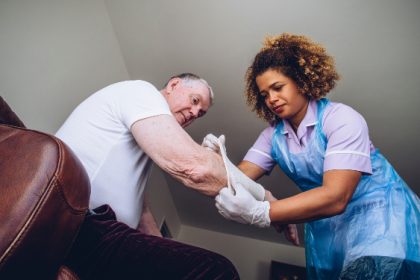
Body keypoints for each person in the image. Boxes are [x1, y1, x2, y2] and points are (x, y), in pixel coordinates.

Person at [209, 34, 420, 279]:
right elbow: (239, 177)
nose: (271, 99)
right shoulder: (272, 137)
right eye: (264, 94)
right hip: (326, 232)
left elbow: (336, 196)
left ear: (301, 81)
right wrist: (216, 160)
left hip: (378, 218)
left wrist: (263, 211)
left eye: (278, 88)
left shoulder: (341, 118)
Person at [55, 73, 244, 279]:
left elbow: (142, 208)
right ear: (173, 84)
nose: (194, 113)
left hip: (107, 234)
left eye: (200, 113)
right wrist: (264, 204)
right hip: (81, 222)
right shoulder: (142, 91)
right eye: (195, 101)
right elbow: (194, 168)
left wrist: (161, 242)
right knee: (216, 270)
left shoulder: (143, 140)